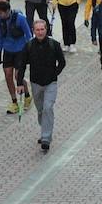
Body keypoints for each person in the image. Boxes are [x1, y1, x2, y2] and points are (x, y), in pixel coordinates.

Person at [15, 19, 66, 153]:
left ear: (46, 29)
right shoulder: (29, 46)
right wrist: (19, 83)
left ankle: (46, 138)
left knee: (48, 108)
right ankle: (45, 129)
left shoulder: (54, 45)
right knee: (40, 110)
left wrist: (54, 74)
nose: (40, 32)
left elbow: (62, 62)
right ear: (34, 31)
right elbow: (21, 65)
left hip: (51, 83)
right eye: (37, 30)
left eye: (42, 29)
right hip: (36, 83)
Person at [0, 0, 32, 114]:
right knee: (8, 75)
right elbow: (0, 35)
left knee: (17, 75)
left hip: (20, 50)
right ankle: (14, 101)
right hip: (8, 50)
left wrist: (30, 51)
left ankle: (27, 95)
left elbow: (28, 35)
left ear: (8, 11)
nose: (0, 15)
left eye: (2, 13)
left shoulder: (20, 18)